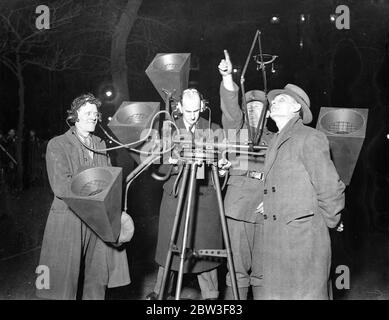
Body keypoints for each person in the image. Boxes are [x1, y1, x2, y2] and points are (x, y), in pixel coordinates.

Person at [37, 93, 133, 300]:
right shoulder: (58, 144)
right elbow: (60, 186)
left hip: (97, 220)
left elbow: (108, 179)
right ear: (74, 116)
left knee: (97, 277)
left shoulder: (100, 143)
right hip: (69, 218)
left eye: (95, 113)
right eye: (87, 113)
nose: (93, 117)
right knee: (63, 283)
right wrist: (97, 193)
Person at [261, 84, 345, 299]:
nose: (274, 102)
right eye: (274, 100)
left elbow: (330, 186)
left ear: (296, 107)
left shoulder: (310, 137)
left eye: (282, 99)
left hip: (303, 239)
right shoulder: (276, 140)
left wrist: (329, 222)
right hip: (277, 238)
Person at [147, 88, 223, 300]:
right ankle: (160, 293)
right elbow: (155, 166)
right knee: (168, 251)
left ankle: (211, 297)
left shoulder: (214, 129)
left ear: (203, 106)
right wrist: (173, 161)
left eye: (196, 110)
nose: (192, 115)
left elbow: (225, 165)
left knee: (205, 252)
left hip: (205, 201)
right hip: (175, 198)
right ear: (179, 107)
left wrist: (221, 166)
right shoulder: (167, 131)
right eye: (188, 110)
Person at [218, 50, 273, 299]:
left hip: (266, 210)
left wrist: (273, 199)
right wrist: (228, 78)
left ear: (268, 113)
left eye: (259, 108)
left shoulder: (277, 140)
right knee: (237, 271)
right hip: (238, 209)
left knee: (264, 273)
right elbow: (230, 110)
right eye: (249, 108)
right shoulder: (236, 131)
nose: (253, 113)